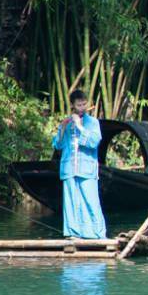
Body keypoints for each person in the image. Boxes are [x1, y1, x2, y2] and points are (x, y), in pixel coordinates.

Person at [53, 89, 107, 239]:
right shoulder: (66, 122)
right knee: (71, 203)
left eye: (84, 104)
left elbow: (94, 142)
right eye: (79, 105)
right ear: (72, 105)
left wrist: (80, 127)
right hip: (69, 168)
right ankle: (73, 234)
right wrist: (63, 128)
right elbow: (58, 145)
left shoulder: (93, 122)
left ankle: (98, 235)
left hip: (87, 168)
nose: (82, 107)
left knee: (91, 201)